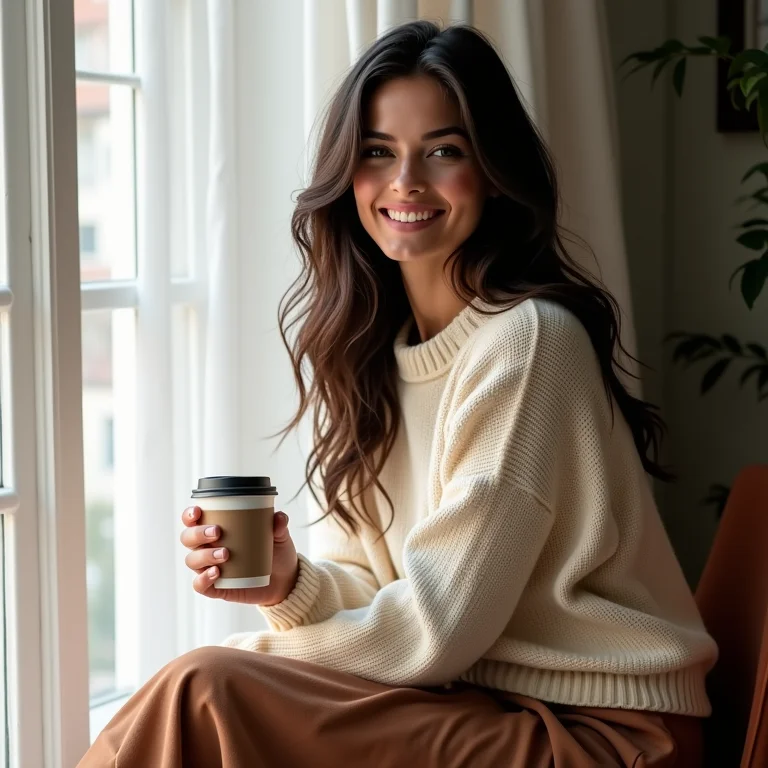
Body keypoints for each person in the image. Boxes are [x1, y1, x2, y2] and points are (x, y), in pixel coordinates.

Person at [80, 20, 717, 768]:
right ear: (348, 175)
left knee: (205, 690)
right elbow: (380, 584)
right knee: (206, 693)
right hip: (474, 701)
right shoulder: (375, 356)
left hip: (608, 736)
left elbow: (436, 628)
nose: (406, 181)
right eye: (378, 153)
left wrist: (258, 655)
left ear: (491, 170)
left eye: (443, 151)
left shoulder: (528, 342)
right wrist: (288, 582)